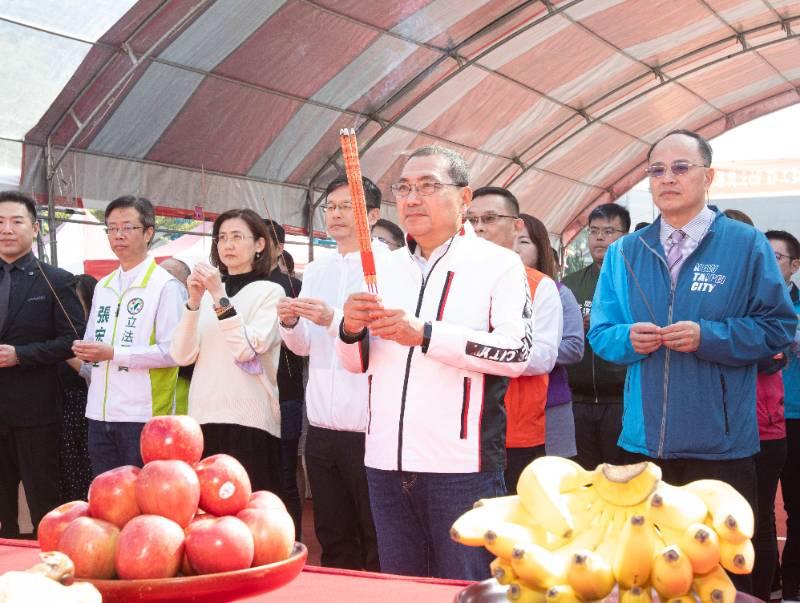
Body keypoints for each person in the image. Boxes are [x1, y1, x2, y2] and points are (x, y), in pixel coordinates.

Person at [588, 130, 797, 593]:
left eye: (681, 167)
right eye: (657, 170)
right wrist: (628, 339)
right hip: (642, 443)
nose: (668, 178)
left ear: (709, 176)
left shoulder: (745, 244)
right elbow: (602, 334)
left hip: (720, 446)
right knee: (649, 575)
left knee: (722, 574)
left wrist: (710, 337)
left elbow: (779, 326)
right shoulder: (626, 250)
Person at [337, 146, 532, 580]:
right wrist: (349, 330)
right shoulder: (381, 268)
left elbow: (517, 352)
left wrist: (425, 334)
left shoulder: (498, 265)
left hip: (461, 466)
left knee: (464, 584)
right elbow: (356, 364)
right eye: (404, 188)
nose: (411, 198)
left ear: (464, 198)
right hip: (384, 460)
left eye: (428, 186)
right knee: (401, 584)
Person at [277, 175, 382, 571]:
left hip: (369, 423)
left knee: (374, 534)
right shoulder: (318, 269)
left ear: (372, 215)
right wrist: (289, 324)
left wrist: (332, 317)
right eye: (331, 207)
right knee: (333, 533)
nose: (336, 215)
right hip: (321, 422)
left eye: (346, 206)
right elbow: (304, 346)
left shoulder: (387, 265)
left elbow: (384, 337)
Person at [171, 209, 284, 492]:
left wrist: (219, 296)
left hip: (251, 419)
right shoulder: (207, 295)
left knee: (250, 515)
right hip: (203, 415)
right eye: (221, 238)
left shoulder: (270, 292)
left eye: (237, 237)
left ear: (260, 244)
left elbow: (246, 350)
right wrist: (194, 303)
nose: (228, 245)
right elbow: (181, 356)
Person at [73, 196, 183, 477]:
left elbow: (174, 352)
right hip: (99, 413)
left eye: (127, 227)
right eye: (111, 228)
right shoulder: (104, 286)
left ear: (148, 233)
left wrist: (114, 353)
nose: (118, 235)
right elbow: (93, 340)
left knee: (143, 502)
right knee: (107, 501)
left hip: (143, 416)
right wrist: (84, 350)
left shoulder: (165, 286)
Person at [0, 191, 85, 538]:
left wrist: (22, 354)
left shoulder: (56, 279)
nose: (7, 229)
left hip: (36, 411)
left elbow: (73, 339)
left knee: (44, 504)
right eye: (0, 222)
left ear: (35, 228)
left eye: (16, 221)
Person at [466, 187, 561, 492]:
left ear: (517, 225)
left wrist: (470, 348)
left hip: (516, 432)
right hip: (457, 434)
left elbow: (543, 357)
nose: (479, 228)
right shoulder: (450, 279)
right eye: (472, 219)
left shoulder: (540, 286)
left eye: (490, 218)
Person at [562, 203, 630, 470]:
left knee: (622, 477)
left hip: (621, 400)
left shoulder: (634, 281)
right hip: (577, 401)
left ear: (625, 236)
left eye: (609, 231)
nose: (599, 238)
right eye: (594, 231)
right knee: (583, 478)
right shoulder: (570, 283)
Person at [516, 214, 584, 458]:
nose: (514, 247)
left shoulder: (559, 292)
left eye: (523, 241)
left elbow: (574, 347)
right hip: (501, 406)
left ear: (540, 248)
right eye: (509, 239)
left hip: (549, 403)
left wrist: (525, 351)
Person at [264, 218, 305, 537]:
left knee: (284, 472)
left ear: (278, 247)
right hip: (251, 393)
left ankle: (291, 538)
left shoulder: (293, 288)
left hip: (285, 391)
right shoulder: (238, 284)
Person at [767, 229, 800, 602]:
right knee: (756, 509)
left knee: (795, 507)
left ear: (794, 265)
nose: (770, 263)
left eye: (777, 257)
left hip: (795, 415)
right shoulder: (747, 301)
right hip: (755, 421)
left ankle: (792, 584)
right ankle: (770, 583)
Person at [61, 274, 97, 502]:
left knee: (86, 469)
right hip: (60, 406)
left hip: (84, 408)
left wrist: (62, 349)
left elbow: (91, 373)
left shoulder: (91, 336)